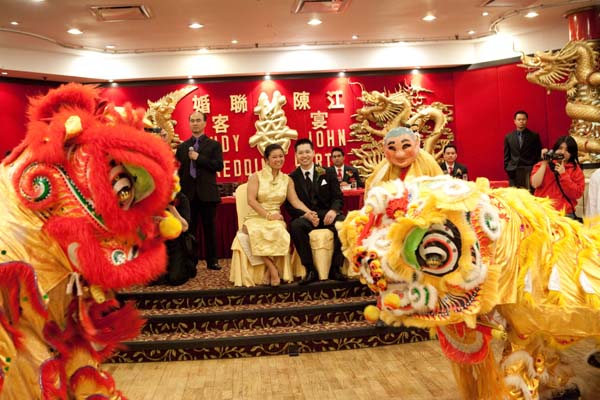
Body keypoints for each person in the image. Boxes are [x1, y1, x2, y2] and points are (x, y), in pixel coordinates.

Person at [243, 143, 314, 286]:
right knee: (255, 231)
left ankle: (270, 271)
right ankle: (272, 268)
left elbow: (295, 201)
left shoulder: (287, 179)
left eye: (281, 156)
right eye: (274, 157)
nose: (278, 159)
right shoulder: (256, 177)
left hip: (276, 216)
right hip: (256, 215)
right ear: (266, 160)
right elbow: (251, 201)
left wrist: (309, 213)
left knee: (280, 231)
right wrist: (268, 215)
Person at [285, 138, 346, 284]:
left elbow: (338, 197)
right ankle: (310, 269)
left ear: (313, 153)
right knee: (295, 226)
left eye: (307, 152)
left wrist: (333, 211)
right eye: (301, 153)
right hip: (306, 217)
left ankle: (335, 268)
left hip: (327, 215)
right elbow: (290, 206)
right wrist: (305, 215)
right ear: (296, 155)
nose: (304, 155)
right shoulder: (291, 178)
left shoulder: (328, 172)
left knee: (344, 224)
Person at [175, 111, 224, 271]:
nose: (195, 123)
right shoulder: (182, 147)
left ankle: (212, 261)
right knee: (189, 229)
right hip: (188, 196)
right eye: (192, 121)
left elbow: (218, 166)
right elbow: (179, 172)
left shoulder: (214, 145)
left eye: (198, 121)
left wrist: (198, 158)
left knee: (210, 229)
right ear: (189, 124)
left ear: (204, 123)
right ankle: (191, 261)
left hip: (207, 194)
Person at [365, 126, 442, 192]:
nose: (400, 155)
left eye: (406, 146)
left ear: (417, 143)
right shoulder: (383, 167)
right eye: (391, 148)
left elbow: (442, 190)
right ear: (383, 147)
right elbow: (371, 191)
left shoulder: (427, 161)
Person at [530, 135, 584, 219]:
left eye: (567, 150)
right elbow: (535, 184)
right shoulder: (542, 165)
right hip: (543, 212)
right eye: (560, 148)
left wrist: (563, 174)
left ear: (572, 154)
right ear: (555, 149)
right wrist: (544, 163)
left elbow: (577, 194)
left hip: (565, 214)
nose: (563, 152)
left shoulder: (575, 170)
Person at [504, 110, 542, 190]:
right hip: (513, 171)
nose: (521, 121)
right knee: (514, 197)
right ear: (514, 121)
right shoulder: (508, 137)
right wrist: (508, 168)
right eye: (519, 119)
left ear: (527, 120)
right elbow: (506, 156)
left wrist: (534, 168)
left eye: (523, 119)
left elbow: (538, 154)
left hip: (529, 170)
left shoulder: (534, 136)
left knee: (529, 195)